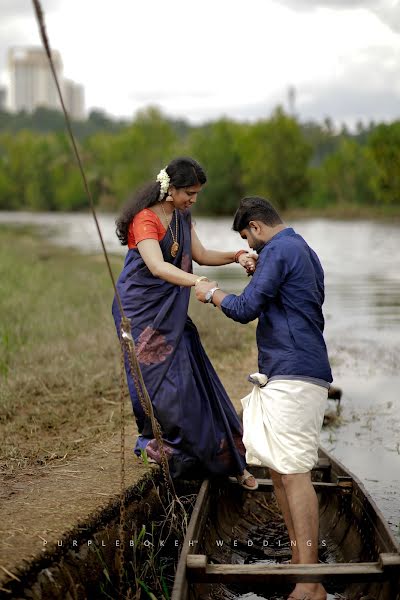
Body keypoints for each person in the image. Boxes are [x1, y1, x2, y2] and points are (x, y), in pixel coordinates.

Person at [195, 196, 332, 600]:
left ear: (255, 227)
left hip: (293, 373)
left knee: (294, 472)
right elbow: (293, 302)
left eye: (247, 240)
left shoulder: (278, 249)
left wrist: (211, 292)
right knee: (281, 470)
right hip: (295, 370)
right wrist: (260, 271)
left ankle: (310, 583)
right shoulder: (303, 250)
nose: (251, 249)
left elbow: (245, 308)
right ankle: (299, 564)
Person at [112, 157, 257, 489]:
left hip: (171, 310)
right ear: (170, 188)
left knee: (191, 378)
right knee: (159, 386)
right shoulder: (144, 219)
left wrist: (237, 256)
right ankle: (164, 446)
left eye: (196, 194)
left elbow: (201, 254)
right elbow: (158, 266)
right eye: (189, 193)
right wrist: (196, 283)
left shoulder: (181, 215)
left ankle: (219, 455)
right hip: (141, 310)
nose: (193, 200)